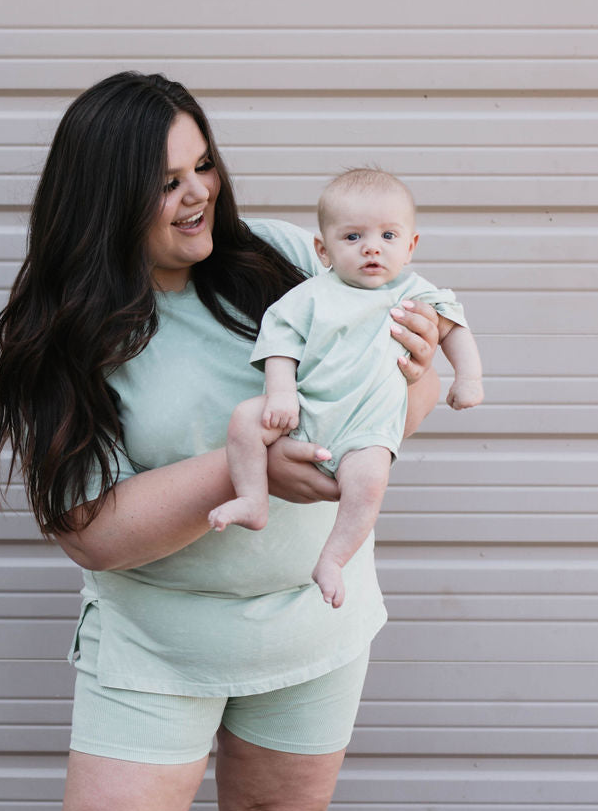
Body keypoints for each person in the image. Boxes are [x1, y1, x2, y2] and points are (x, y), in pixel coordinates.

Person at [0, 72, 440, 811]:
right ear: (99, 199)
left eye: (202, 164)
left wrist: (409, 389)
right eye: (164, 180)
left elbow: (393, 402)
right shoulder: (64, 329)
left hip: (312, 622)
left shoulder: (280, 256)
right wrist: (238, 474)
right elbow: (90, 532)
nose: (197, 197)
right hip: (157, 638)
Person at [207, 168, 484, 607]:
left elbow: (455, 331)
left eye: (389, 236)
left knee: (370, 482)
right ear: (324, 249)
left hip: (364, 430)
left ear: (411, 246)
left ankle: (333, 559)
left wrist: (467, 378)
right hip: (306, 412)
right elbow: (280, 341)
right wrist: (280, 392)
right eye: (353, 237)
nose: (372, 247)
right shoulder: (312, 295)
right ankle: (252, 499)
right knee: (245, 419)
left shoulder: (414, 293)